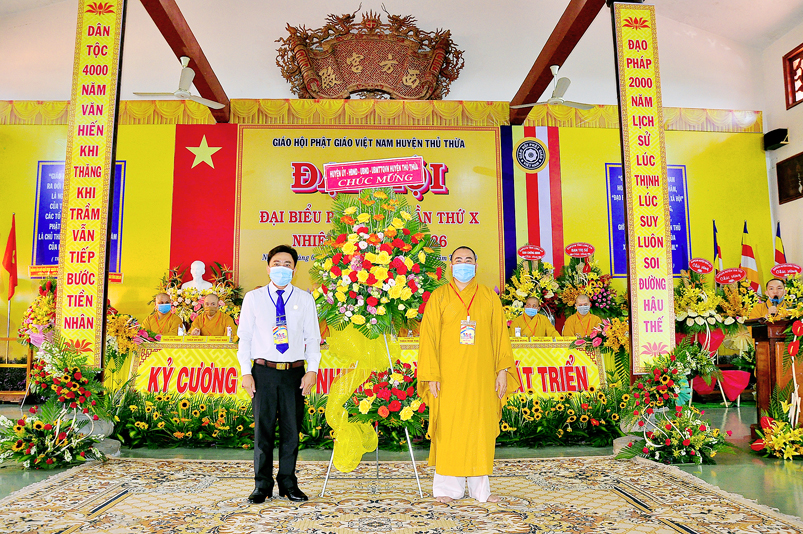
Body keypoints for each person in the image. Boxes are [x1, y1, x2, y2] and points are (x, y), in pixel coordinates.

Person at [417, 246, 520, 503]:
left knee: (479, 429)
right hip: (447, 377)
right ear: (451, 265)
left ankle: (480, 491)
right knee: (449, 429)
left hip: (481, 376)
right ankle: (446, 490)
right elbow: (428, 339)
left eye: (468, 259)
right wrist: (431, 375)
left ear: (476, 264)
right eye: (458, 259)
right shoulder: (439, 296)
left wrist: (502, 372)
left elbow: (500, 336)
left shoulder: (488, 297)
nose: (464, 263)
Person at [238, 245, 321, 504]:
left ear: (294, 270)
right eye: (277, 263)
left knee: (291, 431)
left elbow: (313, 339)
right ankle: (261, 485)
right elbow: (244, 338)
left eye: (287, 264)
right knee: (262, 431)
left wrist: (312, 370)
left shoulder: (305, 300)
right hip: (263, 372)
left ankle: (288, 483)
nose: (281, 268)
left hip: (293, 374)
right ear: (268, 268)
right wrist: (246, 372)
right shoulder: (254, 298)